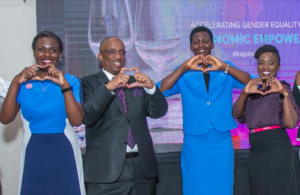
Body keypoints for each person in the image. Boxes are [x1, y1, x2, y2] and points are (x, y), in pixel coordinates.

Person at [158, 26, 253, 195]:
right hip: (195, 141)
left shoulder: (226, 69)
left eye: (205, 41)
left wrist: (224, 67)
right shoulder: (184, 72)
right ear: (190, 47)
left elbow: (251, 83)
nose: (201, 45)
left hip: (222, 139)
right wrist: (184, 67)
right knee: (195, 187)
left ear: (212, 44)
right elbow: (159, 91)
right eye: (196, 42)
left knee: (223, 186)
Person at [0, 31, 86, 195]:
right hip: (33, 149)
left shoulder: (71, 81)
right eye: (41, 49)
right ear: (34, 53)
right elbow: (5, 118)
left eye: (53, 50)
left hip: (65, 148)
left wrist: (64, 85)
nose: (47, 54)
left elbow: (77, 120)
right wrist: (16, 82)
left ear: (60, 55)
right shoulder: (22, 83)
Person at [81, 36, 168, 195]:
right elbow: (87, 115)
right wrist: (109, 87)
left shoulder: (136, 82)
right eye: (112, 52)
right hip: (105, 170)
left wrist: (150, 87)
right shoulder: (88, 83)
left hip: (142, 169)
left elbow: (158, 112)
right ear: (100, 56)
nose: (118, 56)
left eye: (121, 52)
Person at [232, 45, 299, 195]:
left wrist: (283, 93)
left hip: (278, 152)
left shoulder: (284, 89)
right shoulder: (252, 90)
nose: (265, 67)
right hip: (256, 154)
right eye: (261, 63)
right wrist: (244, 92)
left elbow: (291, 123)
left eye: (271, 63)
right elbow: (236, 114)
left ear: (278, 66)